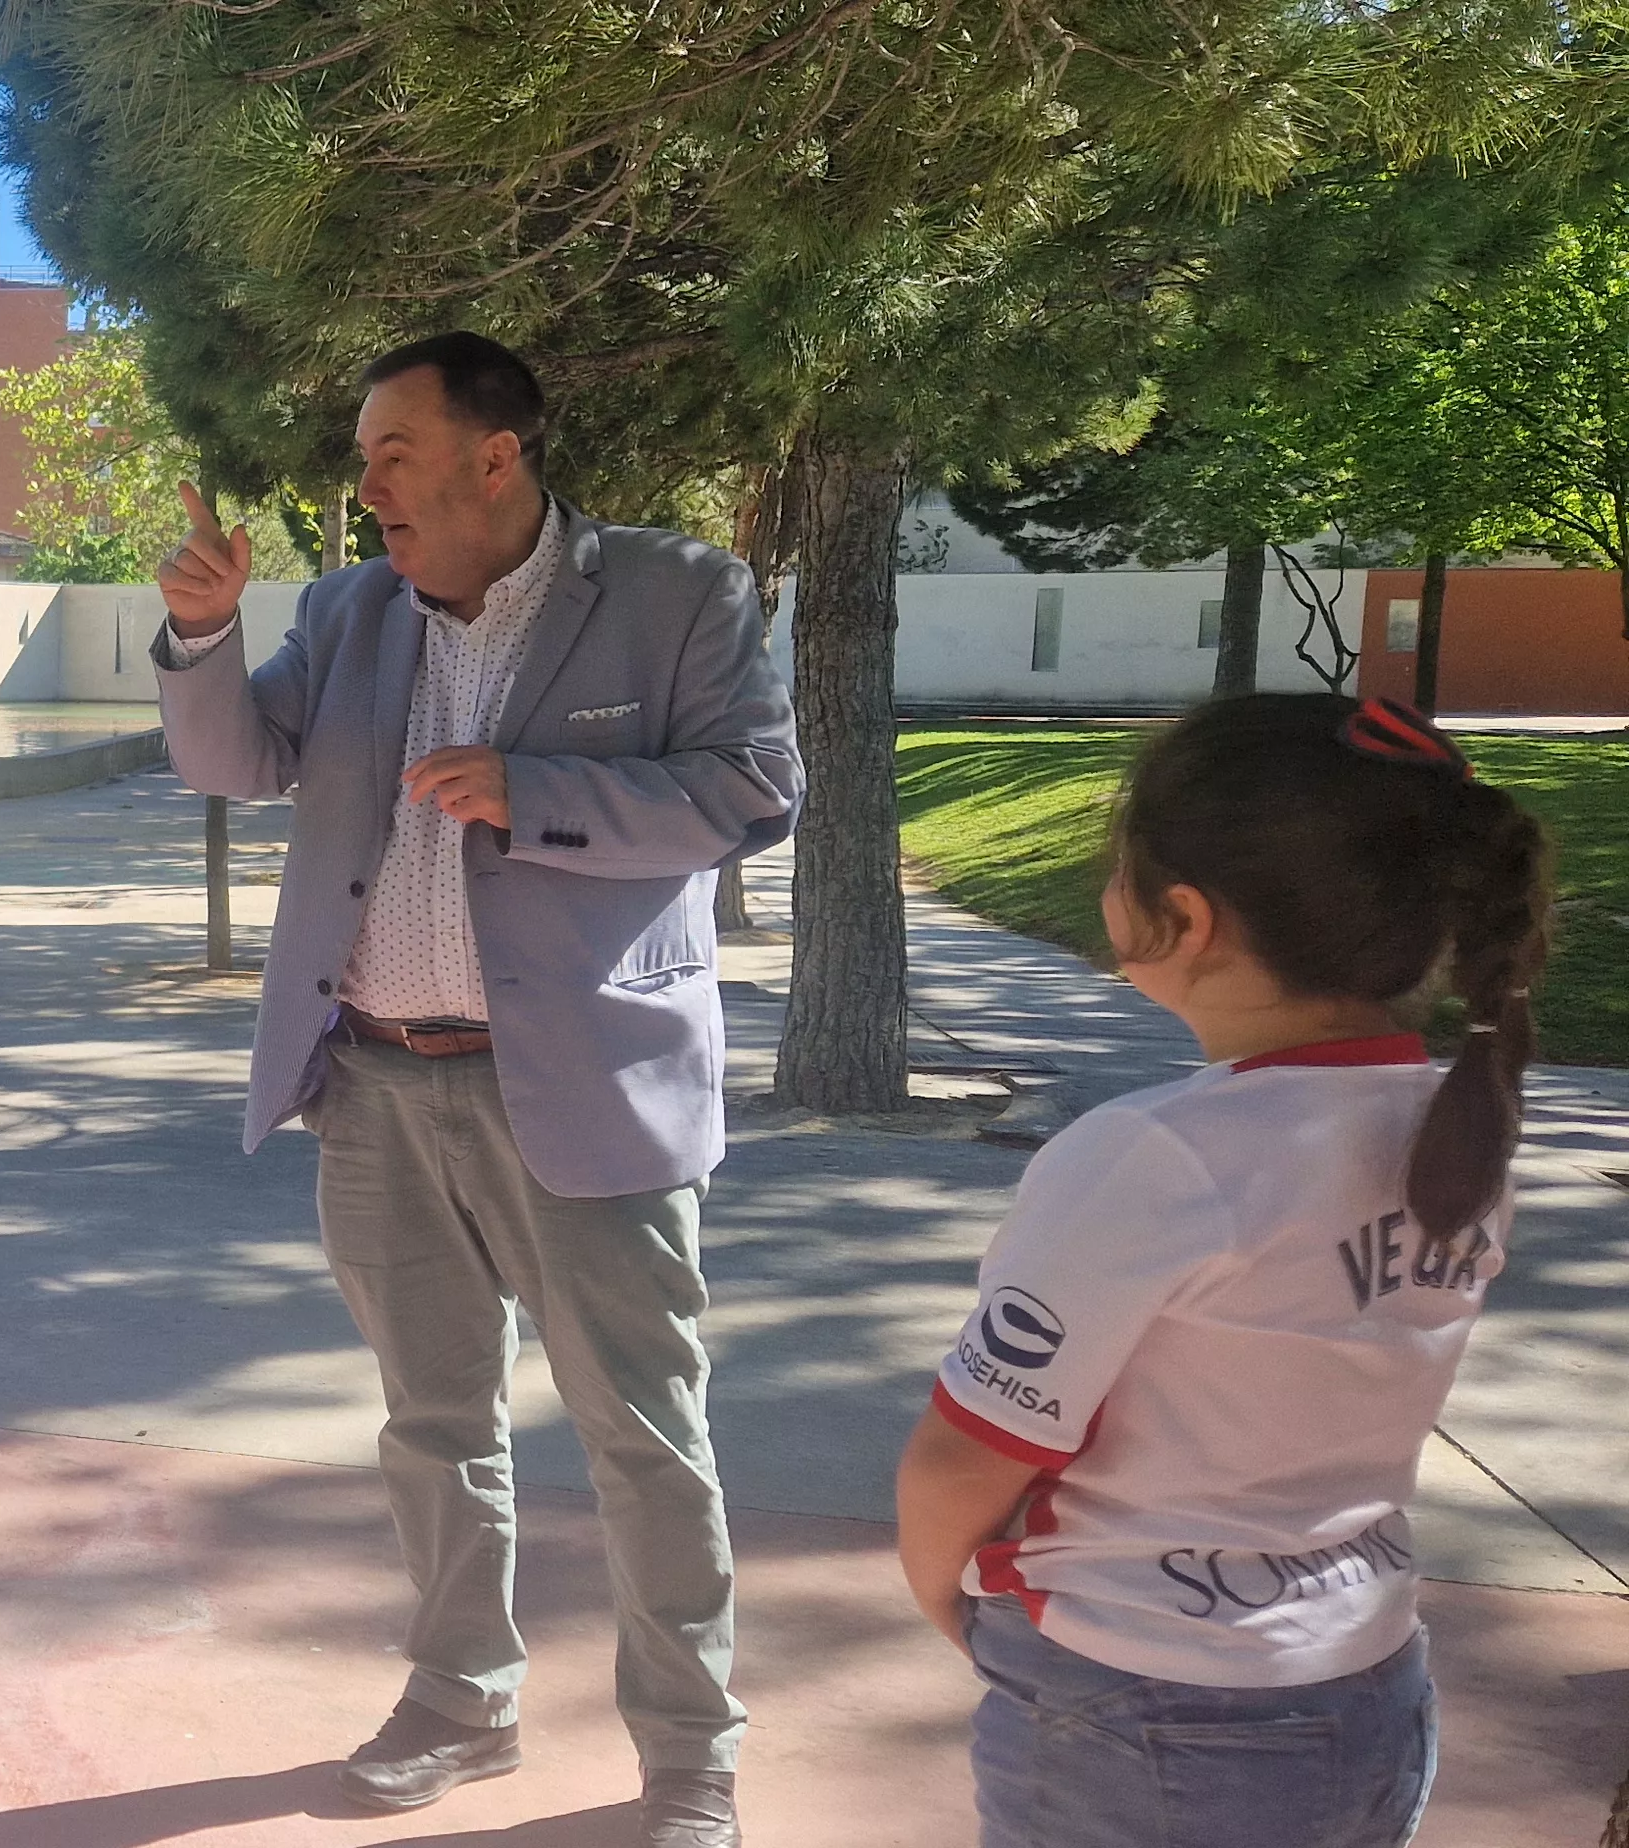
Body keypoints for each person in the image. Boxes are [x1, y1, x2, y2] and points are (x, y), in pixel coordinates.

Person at [153, 331, 799, 1848]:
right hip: (378, 1085)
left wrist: (539, 792)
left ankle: (690, 1756)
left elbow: (754, 789)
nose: (368, 482)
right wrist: (201, 635)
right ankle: (460, 1699)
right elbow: (237, 760)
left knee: (643, 1436)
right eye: (364, 456)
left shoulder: (677, 594)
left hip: (582, 1089)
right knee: (431, 1424)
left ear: (494, 456)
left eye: (395, 451)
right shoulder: (346, 611)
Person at [895, 694, 1547, 1848]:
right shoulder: (1458, 1132)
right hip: (1368, 1681)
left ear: (1186, 917)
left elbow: (968, 1456)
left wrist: (941, 1595)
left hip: (1146, 1707)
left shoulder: (1154, 1155)